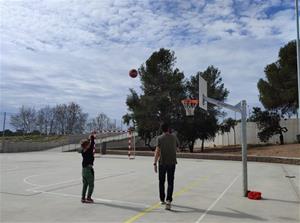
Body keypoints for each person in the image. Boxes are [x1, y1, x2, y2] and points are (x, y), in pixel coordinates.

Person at [153, 122, 179, 210]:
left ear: (162, 129)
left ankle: (162, 199)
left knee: (161, 181)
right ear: (168, 129)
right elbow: (177, 148)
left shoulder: (159, 138)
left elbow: (157, 151)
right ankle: (168, 200)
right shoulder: (174, 137)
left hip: (162, 163)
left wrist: (154, 163)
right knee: (170, 182)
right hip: (172, 163)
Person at [80, 134, 95, 203]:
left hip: (83, 170)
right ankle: (88, 198)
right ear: (86, 145)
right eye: (88, 144)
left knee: (85, 184)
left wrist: (89, 139)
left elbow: (89, 144)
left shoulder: (83, 151)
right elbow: (92, 144)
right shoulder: (89, 150)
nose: (90, 145)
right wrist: (92, 137)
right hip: (88, 170)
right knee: (91, 185)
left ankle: (83, 198)